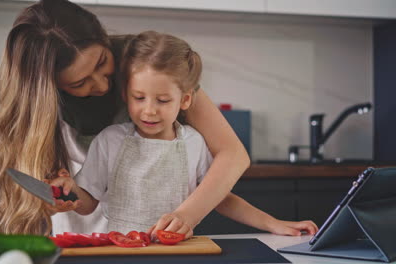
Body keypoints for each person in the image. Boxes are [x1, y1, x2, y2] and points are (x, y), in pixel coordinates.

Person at [0, 0, 251, 236]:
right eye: (80, 83)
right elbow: (82, 197)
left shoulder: (144, 61)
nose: (102, 86)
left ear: (103, 38)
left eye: (102, 62)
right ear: (51, 87)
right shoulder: (35, 100)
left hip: (154, 225)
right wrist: (59, 199)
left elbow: (233, 154)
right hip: (80, 220)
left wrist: (186, 216)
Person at [50, 31, 318, 238]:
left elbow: (219, 198)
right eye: (139, 98)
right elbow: (88, 203)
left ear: (186, 100)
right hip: (122, 252)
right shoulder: (109, 140)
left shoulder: (194, 143)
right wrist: (71, 191)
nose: (150, 110)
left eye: (163, 100)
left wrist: (272, 223)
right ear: (125, 95)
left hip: (176, 253)